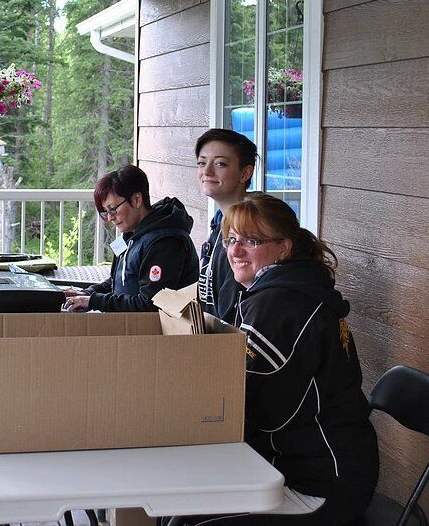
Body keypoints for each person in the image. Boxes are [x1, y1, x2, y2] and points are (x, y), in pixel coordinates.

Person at [170, 193, 378, 526]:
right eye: (231, 240)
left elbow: (258, 410)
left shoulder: (279, 304)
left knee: (188, 516)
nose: (235, 251)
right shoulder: (283, 289)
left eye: (251, 241)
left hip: (319, 483)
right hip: (301, 463)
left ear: (283, 247)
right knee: (183, 501)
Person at [63, 164, 199, 312]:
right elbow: (119, 282)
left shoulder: (165, 242)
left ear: (136, 199)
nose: (110, 218)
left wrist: (94, 301)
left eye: (113, 209)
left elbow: (149, 304)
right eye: (105, 212)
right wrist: (87, 293)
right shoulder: (131, 236)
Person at [195, 128, 256, 323]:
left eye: (220, 163)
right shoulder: (220, 222)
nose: (207, 171)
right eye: (202, 162)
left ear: (245, 173)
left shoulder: (252, 232)